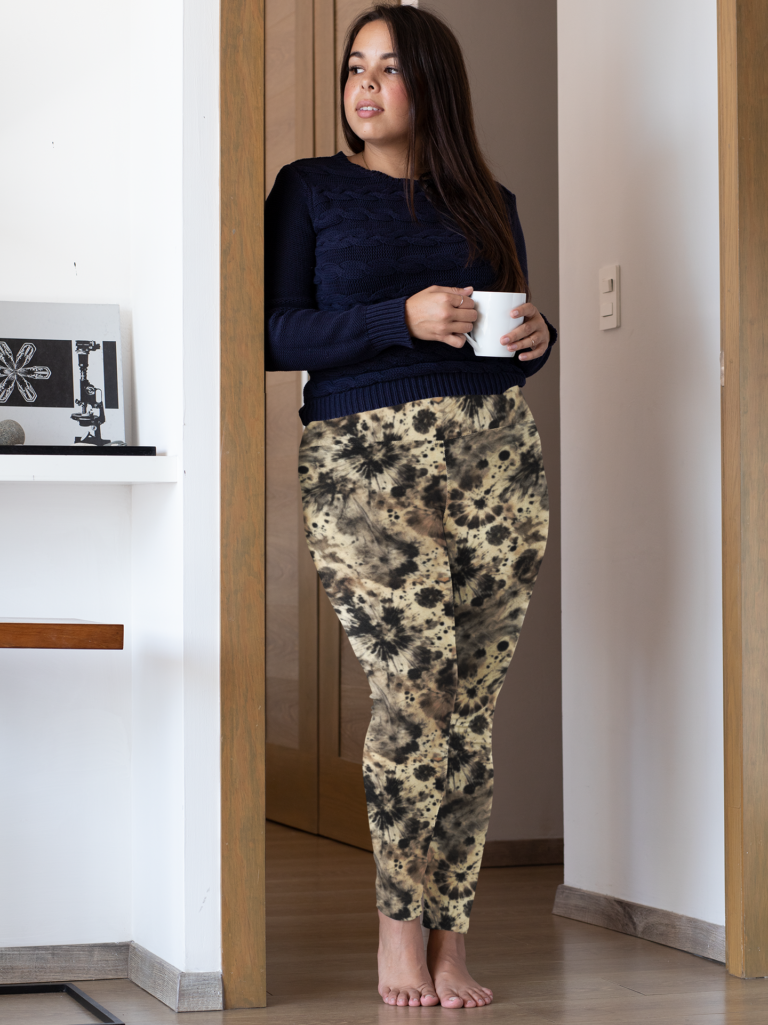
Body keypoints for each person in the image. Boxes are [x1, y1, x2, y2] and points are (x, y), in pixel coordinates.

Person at [265, 3, 555, 1010]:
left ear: (433, 84)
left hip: (495, 459)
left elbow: (509, 332)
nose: (365, 84)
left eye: (389, 68)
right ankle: (398, 932)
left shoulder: (489, 200)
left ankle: (450, 940)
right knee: (413, 690)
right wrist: (402, 316)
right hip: (364, 460)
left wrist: (539, 338)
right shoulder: (309, 189)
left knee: (469, 707)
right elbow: (274, 329)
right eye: (356, 66)